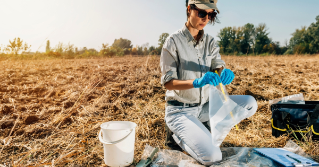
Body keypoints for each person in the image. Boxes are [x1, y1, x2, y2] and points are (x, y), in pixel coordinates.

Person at [160, 0, 258, 165]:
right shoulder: (173, 42)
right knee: (213, 157)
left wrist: (223, 72)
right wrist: (196, 82)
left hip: (205, 107)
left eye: (211, 14)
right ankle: (177, 138)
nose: (206, 19)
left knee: (250, 103)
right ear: (189, 9)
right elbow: (168, 83)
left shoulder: (211, 42)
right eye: (202, 13)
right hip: (180, 111)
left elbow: (217, 67)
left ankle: (208, 133)